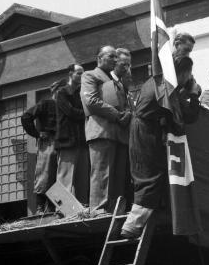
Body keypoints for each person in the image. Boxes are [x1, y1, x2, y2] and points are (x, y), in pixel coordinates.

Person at [121, 54, 201, 239]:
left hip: (142, 129)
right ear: (183, 72)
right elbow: (188, 116)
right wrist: (195, 95)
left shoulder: (157, 80)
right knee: (151, 175)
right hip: (146, 133)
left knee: (151, 172)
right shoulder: (167, 87)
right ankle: (132, 225)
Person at [81, 46, 131, 213]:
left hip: (119, 134)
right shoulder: (90, 75)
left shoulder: (116, 81)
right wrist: (118, 115)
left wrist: (128, 114)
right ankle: (99, 211)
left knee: (117, 176)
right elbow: (91, 101)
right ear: (99, 58)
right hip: (101, 132)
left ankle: (116, 210)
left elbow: (124, 104)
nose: (115, 60)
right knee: (102, 174)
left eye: (116, 57)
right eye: (111, 56)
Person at [100, 48, 132, 203]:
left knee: (121, 176)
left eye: (128, 65)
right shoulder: (106, 81)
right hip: (107, 133)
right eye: (123, 64)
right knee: (107, 175)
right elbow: (109, 106)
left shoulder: (122, 84)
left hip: (123, 136)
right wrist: (123, 115)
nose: (126, 68)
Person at [21, 86, 60, 213]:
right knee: (44, 174)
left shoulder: (65, 106)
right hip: (48, 141)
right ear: (56, 91)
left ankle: (54, 207)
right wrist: (37, 134)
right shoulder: (45, 104)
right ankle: (40, 208)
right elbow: (26, 117)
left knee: (58, 176)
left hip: (63, 142)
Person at [55, 64, 89, 205]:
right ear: (70, 74)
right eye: (79, 73)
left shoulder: (82, 92)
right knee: (65, 178)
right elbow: (71, 112)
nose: (82, 76)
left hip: (82, 140)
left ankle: (82, 209)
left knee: (82, 179)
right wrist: (88, 113)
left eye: (83, 73)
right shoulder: (62, 93)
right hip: (67, 141)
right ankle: (61, 209)